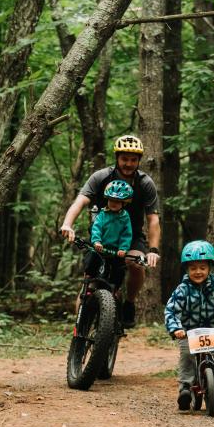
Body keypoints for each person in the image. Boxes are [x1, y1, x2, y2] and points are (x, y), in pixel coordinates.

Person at [61, 135, 161, 325]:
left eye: (133, 160)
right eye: (124, 159)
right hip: (101, 236)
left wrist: (153, 251)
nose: (128, 164)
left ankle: (129, 303)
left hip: (130, 237)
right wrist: (67, 224)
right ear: (117, 158)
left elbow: (153, 219)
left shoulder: (145, 183)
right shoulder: (101, 177)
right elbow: (80, 201)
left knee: (137, 265)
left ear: (139, 160)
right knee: (88, 284)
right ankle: (79, 334)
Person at [164, 240, 214, 412]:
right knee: (186, 357)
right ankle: (185, 389)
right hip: (187, 332)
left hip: (211, 331)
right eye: (193, 268)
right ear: (187, 269)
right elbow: (171, 309)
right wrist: (176, 328)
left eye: (202, 268)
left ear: (209, 268)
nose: (198, 272)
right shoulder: (182, 290)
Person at [86, 179, 134, 291]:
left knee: (119, 269)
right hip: (100, 247)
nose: (113, 203)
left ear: (124, 202)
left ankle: (114, 291)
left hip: (115, 251)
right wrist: (97, 241)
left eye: (117, 201)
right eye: (111, 200)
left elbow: (126, 234)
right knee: (92, 259)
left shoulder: (125, 217)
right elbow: (96, 228)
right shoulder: (102, 214)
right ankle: (87, 281)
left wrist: (123, 248)